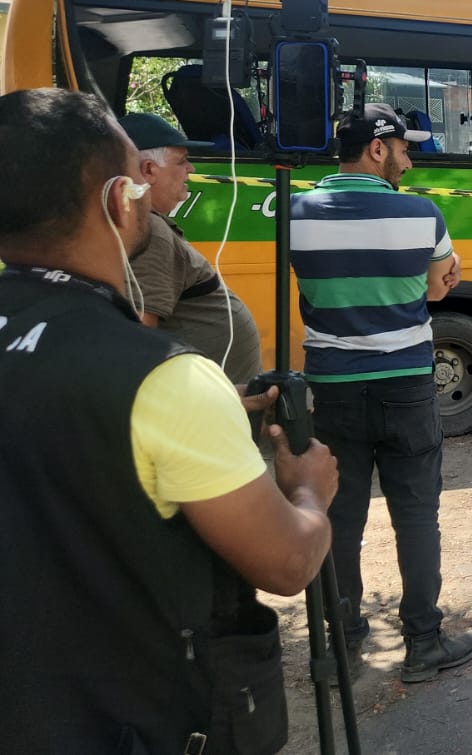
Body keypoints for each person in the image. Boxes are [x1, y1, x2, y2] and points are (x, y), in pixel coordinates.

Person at [0, 88, 337, 753]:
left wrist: (199, 420)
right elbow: (288, 561)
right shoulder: (163, 379)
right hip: (138, 719)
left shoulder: (156, 388)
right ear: (119, 199)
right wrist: (307, 489)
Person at [289, 102, 472, 682]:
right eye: (403, 147)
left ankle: (344, 641)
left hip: (333, 392)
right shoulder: (423, 215)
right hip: (406, 388)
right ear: (377, 148)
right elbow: (442, 288)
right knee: (417, 516)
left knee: (340, 519)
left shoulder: (296, 212)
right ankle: (424, 643)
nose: (408, 158)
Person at [121, 112, 264, 385]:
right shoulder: (152, 233)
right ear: (149, 170)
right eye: (182, 161)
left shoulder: (145, 225)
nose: (191, 170)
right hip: (202, 412)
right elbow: (137, 340)